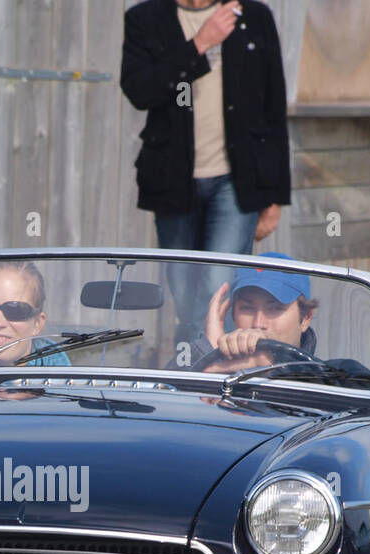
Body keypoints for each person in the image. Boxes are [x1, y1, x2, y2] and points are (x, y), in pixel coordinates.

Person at [121, 0, 290, 341]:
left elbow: (274, 107)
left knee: (218, 286)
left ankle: (213, 378)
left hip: (235, 179)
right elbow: (140, 91)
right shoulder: (144, 18)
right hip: (172, 180)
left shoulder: (253, 16)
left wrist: (275, 197)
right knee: (184, 294)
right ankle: (195, 373)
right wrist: (200, 44)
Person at [169, 253, 317, 373]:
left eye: (275, 308)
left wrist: (272, 368)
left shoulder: (331, 376)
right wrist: (208, 349)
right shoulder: (213, 367)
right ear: (232, 314)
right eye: (247, 308)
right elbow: (161, 394)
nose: (258, 324)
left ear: (305, 318)